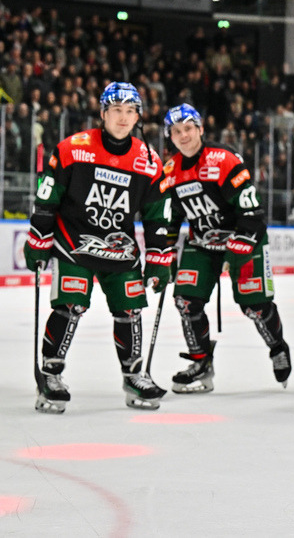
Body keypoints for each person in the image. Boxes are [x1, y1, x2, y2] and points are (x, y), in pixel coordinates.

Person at [25, 82, 172, 413]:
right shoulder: (73, 148)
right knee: (70, 306)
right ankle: (51, 373)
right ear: (103, 113)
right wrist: (38, 238)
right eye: (116, 111)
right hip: (73, 244)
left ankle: (134, 374)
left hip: (120, 249)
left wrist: (159, 255)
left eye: (130, 111)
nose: (123, 118)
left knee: (130, 309)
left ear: (138, 117)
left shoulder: (148, 160)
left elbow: (157, 215)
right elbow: (47, 198)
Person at [161, 103, 291, 393]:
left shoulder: (223, 160)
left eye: (188, 129)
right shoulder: (169, 171)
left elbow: (252, 213)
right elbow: (171, 217)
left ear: (200, 129)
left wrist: (237, 249)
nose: (183, 136)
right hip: (203, 243)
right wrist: (165, 250)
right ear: (170, 136)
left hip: (245, 238)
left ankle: (277, 347)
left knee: (254, 305)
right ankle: (200, 363)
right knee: (185, 300)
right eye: (176, 131)